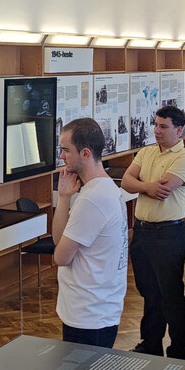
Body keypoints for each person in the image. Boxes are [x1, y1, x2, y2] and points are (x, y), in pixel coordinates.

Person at [121, 106, 185, 359]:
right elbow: (125, 182)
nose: (157, 131)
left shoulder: (184, 158)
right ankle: (150, 344)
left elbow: (162, 189)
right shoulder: (146, 151)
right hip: (142, 233)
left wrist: (141, 186)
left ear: (179, 129)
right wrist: (146, 187)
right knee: (149, 293)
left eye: (163, 127)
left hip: (168, 235)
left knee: (171, 295)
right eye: (155, 125)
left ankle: (177, 350)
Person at [52, 118, 129, 348]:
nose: (62, 156)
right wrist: (64, 197)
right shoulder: (99, 191)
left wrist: (67, 198)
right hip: (93, 310)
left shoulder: (93, 200)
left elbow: (60, 257)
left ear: (85, 153)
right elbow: (60, 241)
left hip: (89, 315)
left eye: (66, 150)